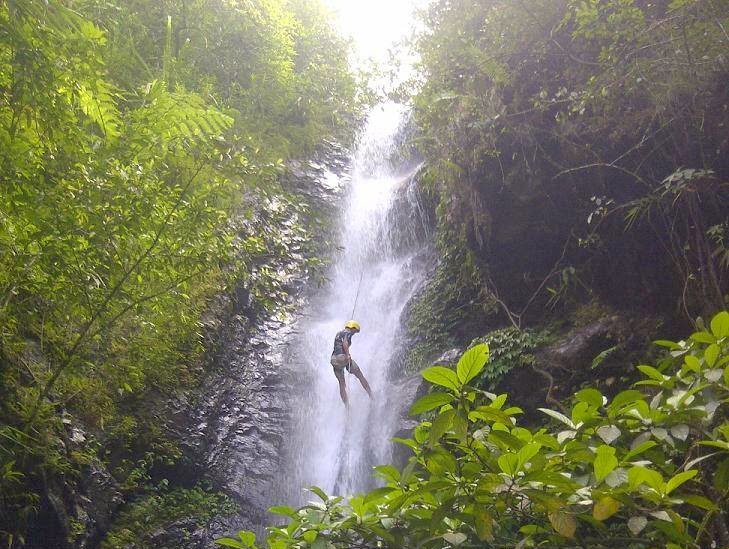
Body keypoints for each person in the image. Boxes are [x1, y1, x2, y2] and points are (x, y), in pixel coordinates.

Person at [330, 320, 373, 404]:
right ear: (353, 328)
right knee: (359, 374)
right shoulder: (348, 332)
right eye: (355, 331)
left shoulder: (339, 333)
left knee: (342, 384)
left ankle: (347, 406)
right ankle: (371, 395)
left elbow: (338, 345)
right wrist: (347, 355)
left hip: (334, 360)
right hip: (342, 358)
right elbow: (345, 343)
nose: (354, 333)